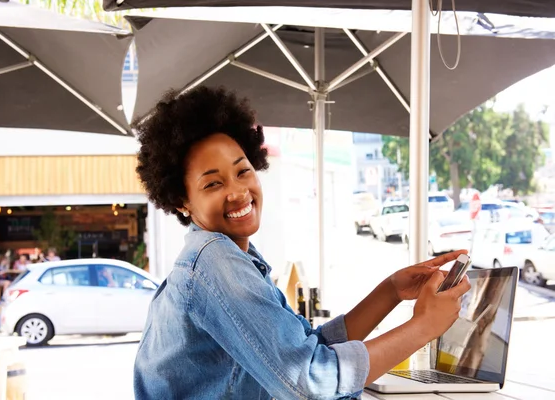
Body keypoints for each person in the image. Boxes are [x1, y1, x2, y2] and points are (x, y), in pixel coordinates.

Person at [133, 86, 471, 399]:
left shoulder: (230, 255)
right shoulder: (214, 260)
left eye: (242, 171)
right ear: (182, 201)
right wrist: (423, 327)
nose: (237, 192)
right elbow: (310, 381)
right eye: (212, 184)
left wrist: (391, 291)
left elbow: (308, 349)